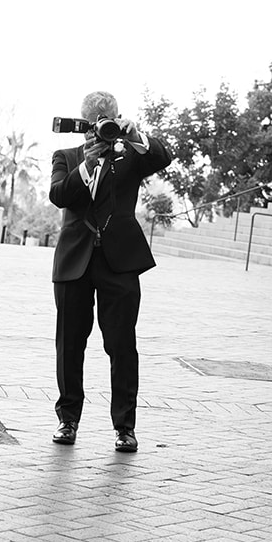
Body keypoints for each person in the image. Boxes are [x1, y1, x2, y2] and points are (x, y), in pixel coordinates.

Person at [48, 90, 172, 453]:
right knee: (70, 344)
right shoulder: (67, 156)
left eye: (108, 121)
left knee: (121, 345)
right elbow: (58, 195)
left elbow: (164, 156)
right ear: (84, 124)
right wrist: (86, 166)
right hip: (74, 262)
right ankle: (68, 420)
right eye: (95, 122)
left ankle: (125, 428)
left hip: (120, 262)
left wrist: (134, 134)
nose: (101, 128)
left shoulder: (130, 156)